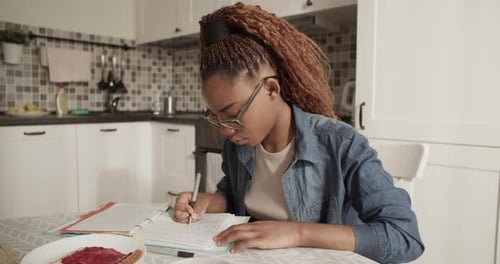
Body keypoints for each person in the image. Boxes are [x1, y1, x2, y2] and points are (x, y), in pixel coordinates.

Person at [173, 2, 424, 263]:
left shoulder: (341, 144)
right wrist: (207, 202)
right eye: (216, 117)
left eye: (233, 113)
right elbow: (232, 195)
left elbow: (404, 237)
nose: (225, 129)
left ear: (271, 89)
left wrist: (297, 233)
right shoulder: (238, 145)